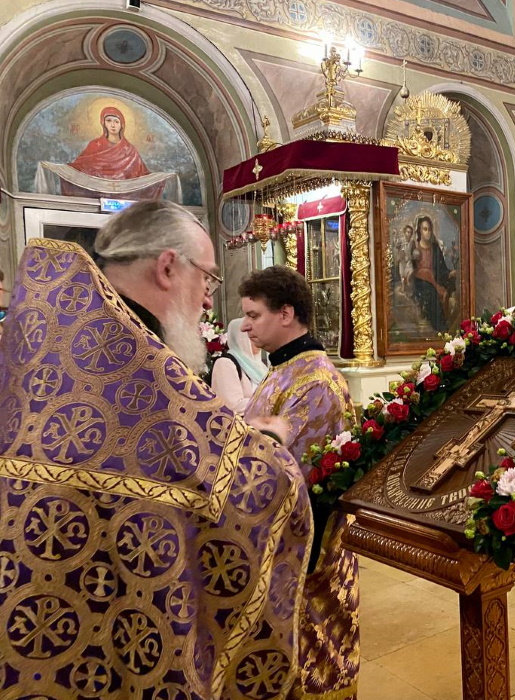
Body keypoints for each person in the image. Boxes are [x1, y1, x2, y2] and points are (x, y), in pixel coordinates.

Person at [0, 200, 313, 698]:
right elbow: (244, 486)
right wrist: (270, 446)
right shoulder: (133, 355)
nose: (208, 301)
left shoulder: (54, 339)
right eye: (207, 278)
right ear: (168, 267)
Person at [240, 266, 359, 700]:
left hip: (308, 553)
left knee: (312, 663)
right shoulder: (285, 369)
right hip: (281, 546)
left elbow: (289, 474)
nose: (246, 326)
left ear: (286, 314)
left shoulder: (315, 382)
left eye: (253, 315)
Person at [60, 106, 164, 198]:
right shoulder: (94, 145)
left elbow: (142, 175)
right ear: (103, 123)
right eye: (109, 121)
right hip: (95, 195)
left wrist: (158, 179)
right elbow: (79, 168)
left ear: (122, 125)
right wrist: (63, 170)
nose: (113, 125)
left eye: (116, 122)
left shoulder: (130, 150)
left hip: (126, 199)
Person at [210, 317, 268, 415]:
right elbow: (232, 405)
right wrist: (270, 403)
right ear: (240, 338)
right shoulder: (225, 363)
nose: (259, 340)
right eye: (253, 337)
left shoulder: (260, 366)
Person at [409, 215, 455, 331]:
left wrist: (449, 274)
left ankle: (443, 328)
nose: (428, 232)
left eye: (429, 229)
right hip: (420, 281)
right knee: (431, 293)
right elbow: (409, 266)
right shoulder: (415, 246)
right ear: (420, 230)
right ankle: (440, 327)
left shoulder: (435, 248)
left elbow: (441, 268)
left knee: (444, 290)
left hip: (433, 280)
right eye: (425, 229)